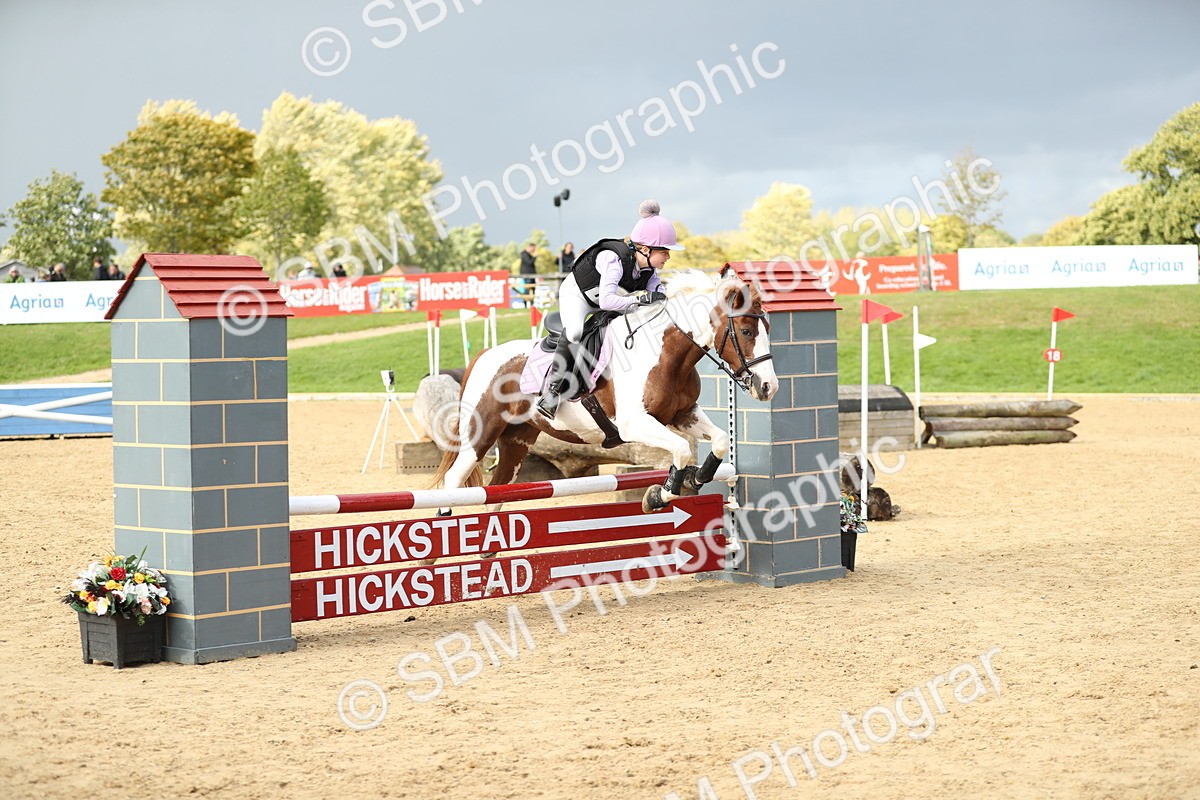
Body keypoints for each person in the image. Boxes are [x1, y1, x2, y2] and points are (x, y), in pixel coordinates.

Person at [535, 199, 682, 419]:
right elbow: (606, 302)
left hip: (612, 299)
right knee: (575, 331)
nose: (668, 256)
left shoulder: (649, 270)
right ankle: (553, 391)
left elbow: (659, 297)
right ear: (645, 249)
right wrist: (641, 301)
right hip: (579, 295)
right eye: (665, 251)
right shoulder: (613, 259)